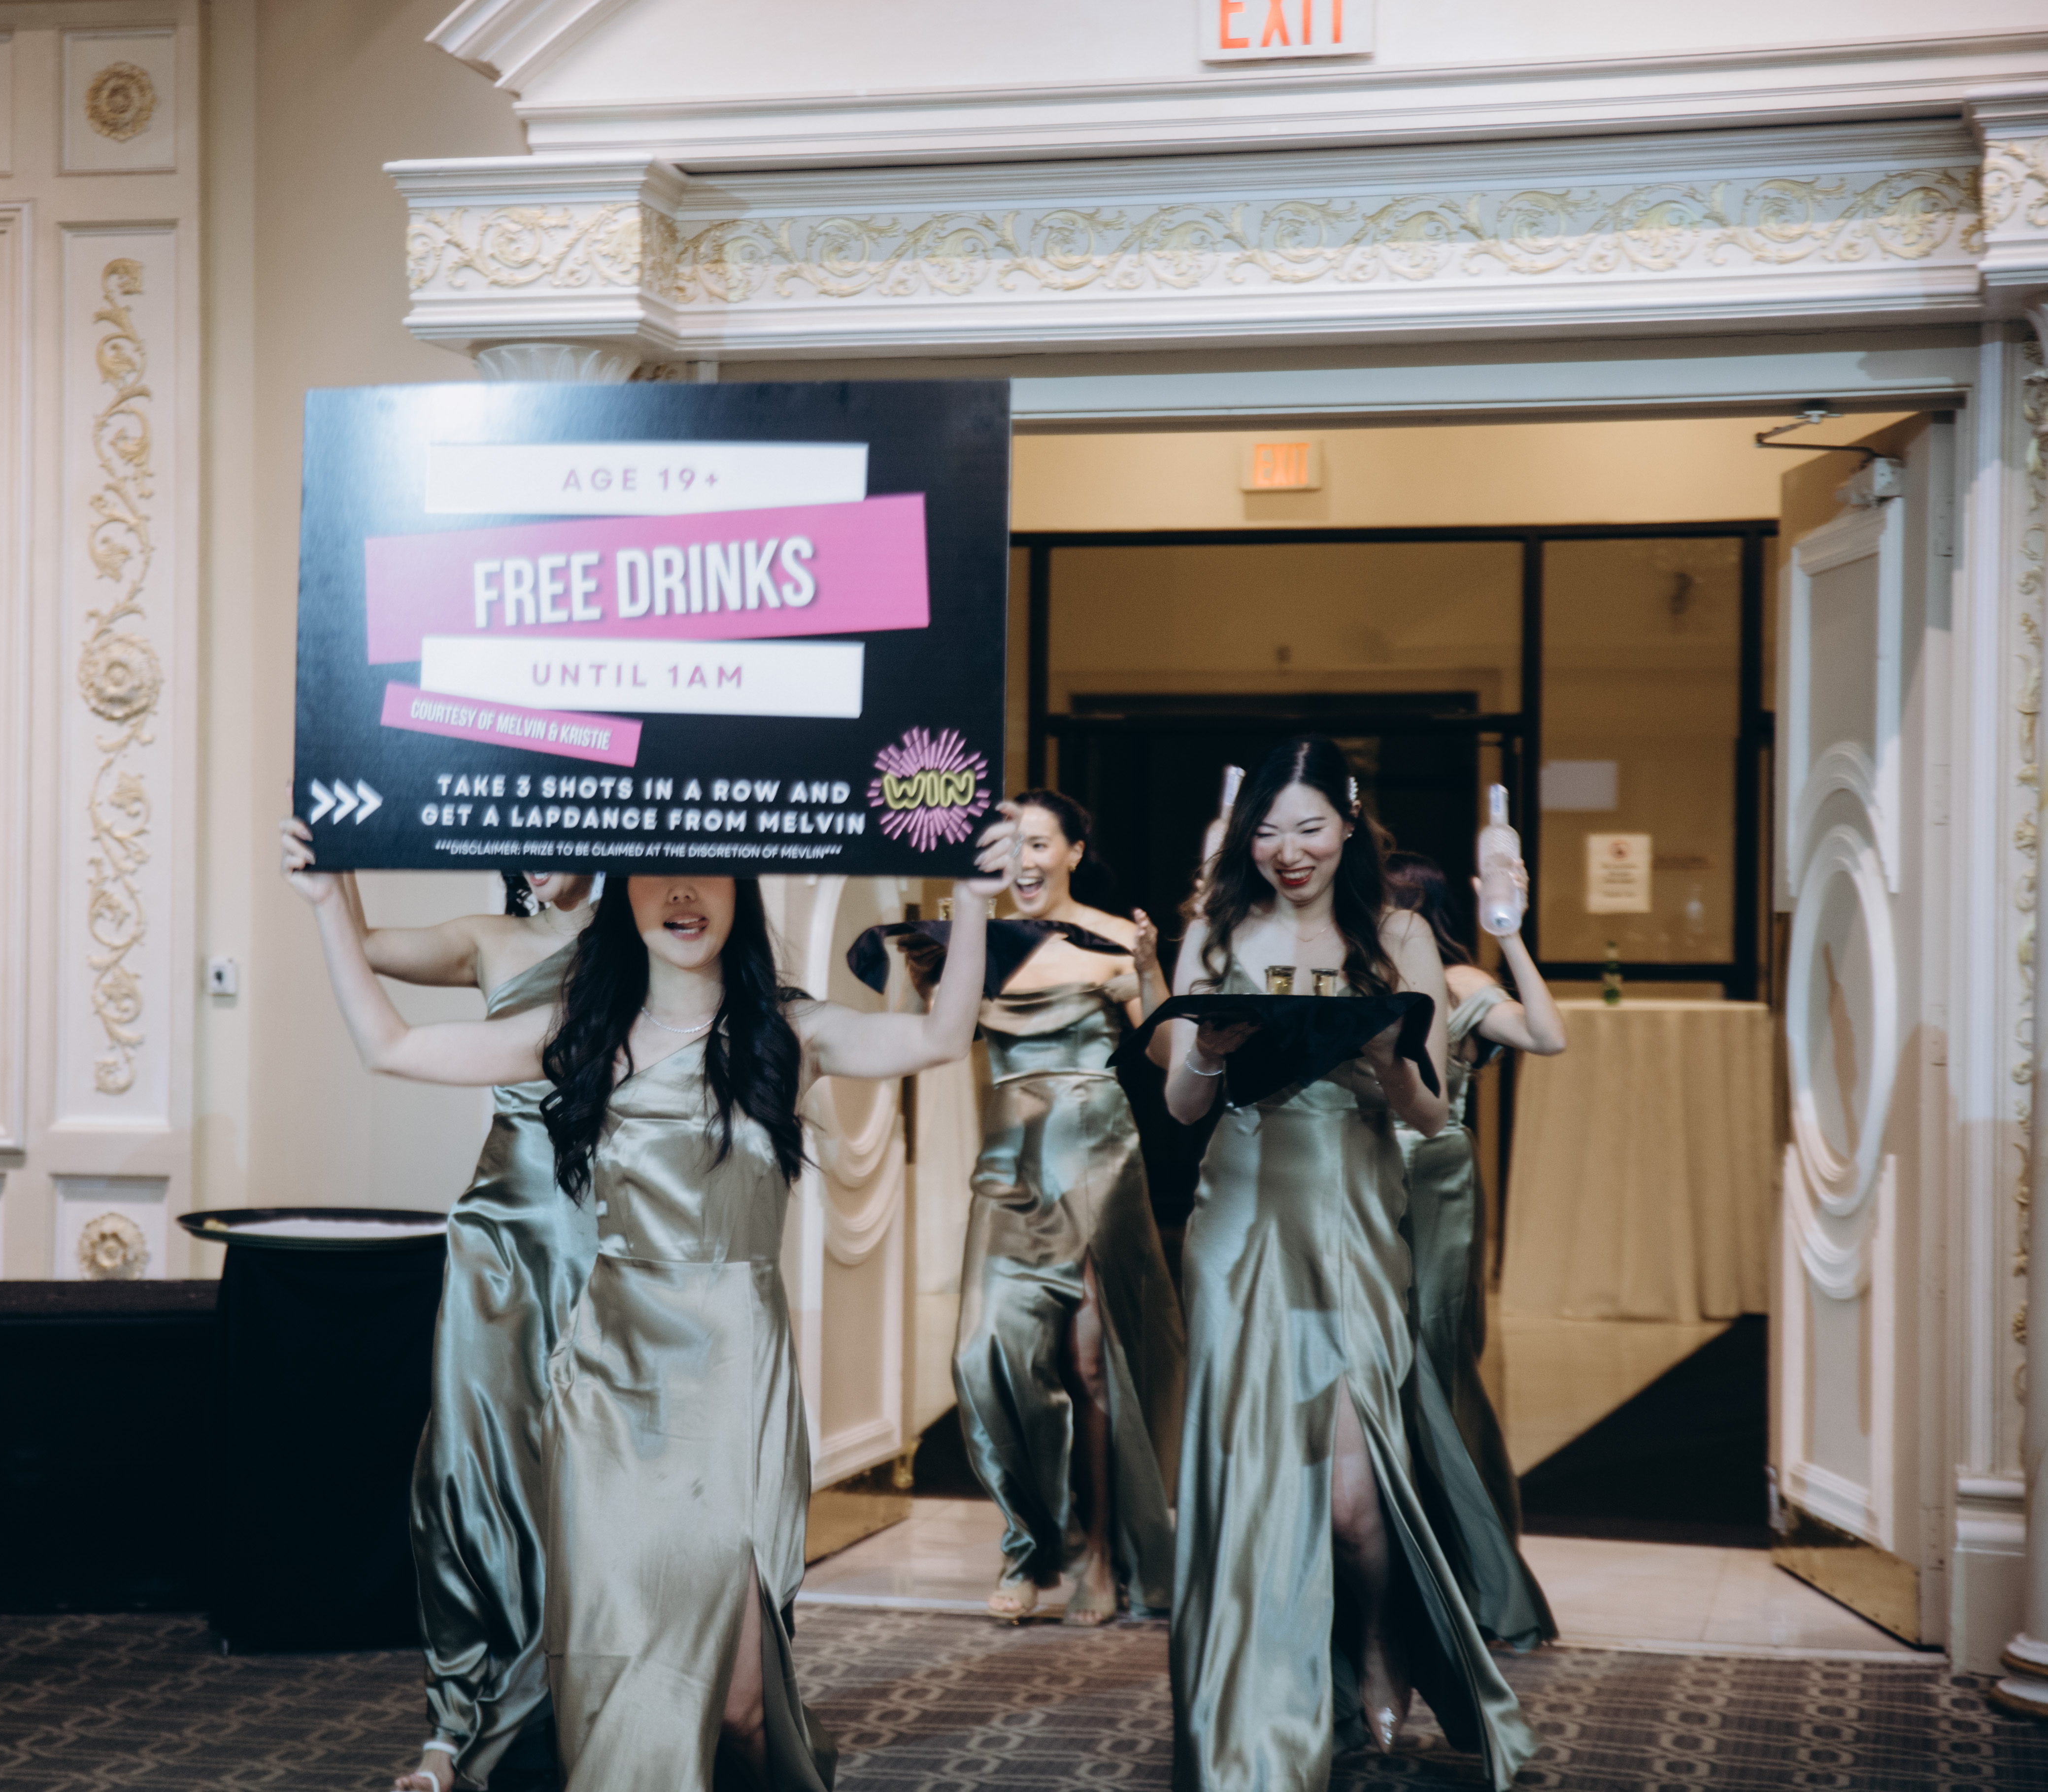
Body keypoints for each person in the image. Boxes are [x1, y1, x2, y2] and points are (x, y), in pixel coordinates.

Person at [282, 819, 1015, 1792]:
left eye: (703, 869)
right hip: (613, 1384)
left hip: (737, 1379)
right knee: (615, 1663)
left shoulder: (789, 1031)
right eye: (655, 871)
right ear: (622, 889)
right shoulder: (584, 1035)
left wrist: (972, 901)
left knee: (744, 1705)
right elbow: (392, 1044)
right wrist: (328, 899)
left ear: (739, 886)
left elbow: (939, 1036)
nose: (680, 891)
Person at [1158, 738, 1542, 1791]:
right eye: (1268, 831)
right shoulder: (1214, 934)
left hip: (1355, 1225)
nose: (1288, 850)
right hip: (1238, 1228)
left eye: (1309, 827)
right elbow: (1181, 1108)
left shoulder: (1399, 936)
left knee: (1349, 1499)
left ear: (1348, 825)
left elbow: (1432, 1112)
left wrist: (1388, 1063)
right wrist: (1208, 1052)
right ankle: (1253, 1702)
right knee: (1251, 1478)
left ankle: (1377, 1637)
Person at [276, 839, 598, 1792]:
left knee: (593, 1477)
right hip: (500, 1236)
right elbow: (368, 947)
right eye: (519, 842)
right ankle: (454, 1726)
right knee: (467, 1469)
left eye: (554, 836)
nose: (534, 859)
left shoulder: (654, 943)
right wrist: (332, 873)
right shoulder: (489, 938)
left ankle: (590, 1705)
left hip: (615, 1236)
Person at [943, 791, 1185, 1625]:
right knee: (982, 1353)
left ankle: (1099, 1555)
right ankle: (1030, 1542)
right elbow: (932, 1038)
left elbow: (1167, 1053)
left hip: (1092, 1162)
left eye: (1039, 842)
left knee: (1089, 1365)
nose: (1023, 860)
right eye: (1009, 845)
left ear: (1075, 851)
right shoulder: (977, 941)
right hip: (1007, 1170)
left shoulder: (1114, 937)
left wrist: (1149, 969)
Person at [1386, 850, 1567, 1557]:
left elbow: (1547, 1036)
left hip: (1433, 1178)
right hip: (1352, 1172)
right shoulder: (1347, 974)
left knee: (1433, 1349)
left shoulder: (1458, 980)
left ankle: (1458, 1541)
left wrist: (1511, 937)